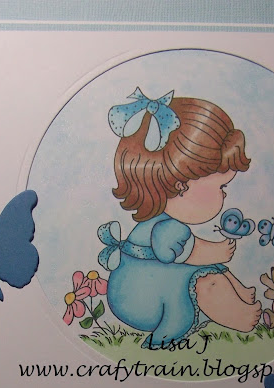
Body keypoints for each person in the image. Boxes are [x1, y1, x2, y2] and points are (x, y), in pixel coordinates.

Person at [98, 88, 261, 348]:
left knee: (212, 272)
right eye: (221, 187)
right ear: (181, 186)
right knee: (208, 282)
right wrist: (218, 251)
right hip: (140, 297)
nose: (224, 195)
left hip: (150, 277)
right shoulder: (167, 227)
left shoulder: (161, 219)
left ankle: (239, 295)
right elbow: (184, 251)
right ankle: (239, 317)